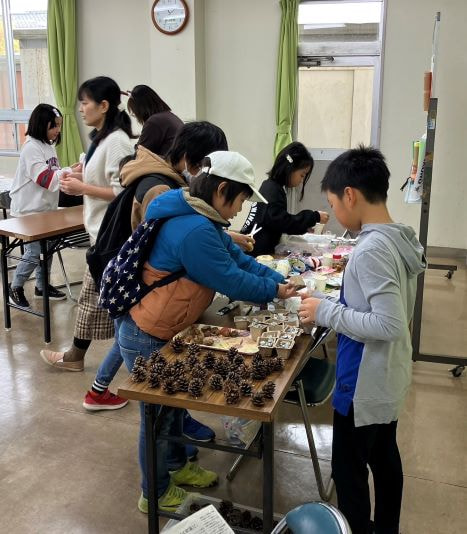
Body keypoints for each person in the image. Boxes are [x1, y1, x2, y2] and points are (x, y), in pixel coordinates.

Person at [116, 150, 297, 513]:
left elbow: (239, 260)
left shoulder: (202, 218)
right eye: (241, 199)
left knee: (172, 413)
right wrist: (275, 291)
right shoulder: (195, 229)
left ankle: (176, 467)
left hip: (165, 327)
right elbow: (229, 279)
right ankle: (154, 493)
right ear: (222, 189)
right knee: (156, 419)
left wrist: (282, 281)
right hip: (146, 333)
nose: (241, 209)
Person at [298, 146, 426, 534]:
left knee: (348, 470)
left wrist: (324, 311)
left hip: (363, 381)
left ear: (350, 195)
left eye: (333, 203)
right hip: (387, 374)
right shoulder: (399, 236)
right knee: (384, 456)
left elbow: (388, 323)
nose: (335, 212)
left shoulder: (371, 250)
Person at [81, 122, 230, 450]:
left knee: (131, 341)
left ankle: (167, 430)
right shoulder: (160, 188)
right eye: (208, 164)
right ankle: (168, 445)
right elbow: (174, 243)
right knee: (141, 351)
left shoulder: (167, 180)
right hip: (135, 287)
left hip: (133, 284)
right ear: (190, 158)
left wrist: (225, 238)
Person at [40, 76, 134, 372]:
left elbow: (121, 191)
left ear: (103, 106)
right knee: (93, 302)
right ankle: (77, 358)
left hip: (111, 237)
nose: (80, 109)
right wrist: (78, 178)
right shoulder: (102, 138)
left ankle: (86, 363)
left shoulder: (117, 141)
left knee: (107, 306)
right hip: (100, 233)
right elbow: (101, 179)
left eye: (85, 103)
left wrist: (82, 188)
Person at [8, 103, 67, 308]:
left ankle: (42, 287)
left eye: (59, 125)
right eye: (54, 126)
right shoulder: (31, 148)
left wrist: (71, 171)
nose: (58, 130)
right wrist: (69, 172)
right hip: (28, 210)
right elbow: (45, 179)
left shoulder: (48, 146)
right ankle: (15, 287)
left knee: (48, 248)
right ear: (42, 125)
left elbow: (54, 174)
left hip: (44, 209)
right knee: (34, 252)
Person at [241, 141, 329, 256]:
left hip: (254, 250)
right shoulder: (272, 190)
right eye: (302, 175)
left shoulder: (270, 186)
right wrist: (314, 217)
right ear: (290, 168)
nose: (301, 180)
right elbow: (283, 222)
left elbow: (279, 221)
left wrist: (304, 227)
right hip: (254, 253)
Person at [126, 84, 183, 157]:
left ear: (140, 109)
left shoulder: (154, 121)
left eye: (134, 112)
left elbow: (140, 154)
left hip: (167, 163)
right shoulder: (169, 116)